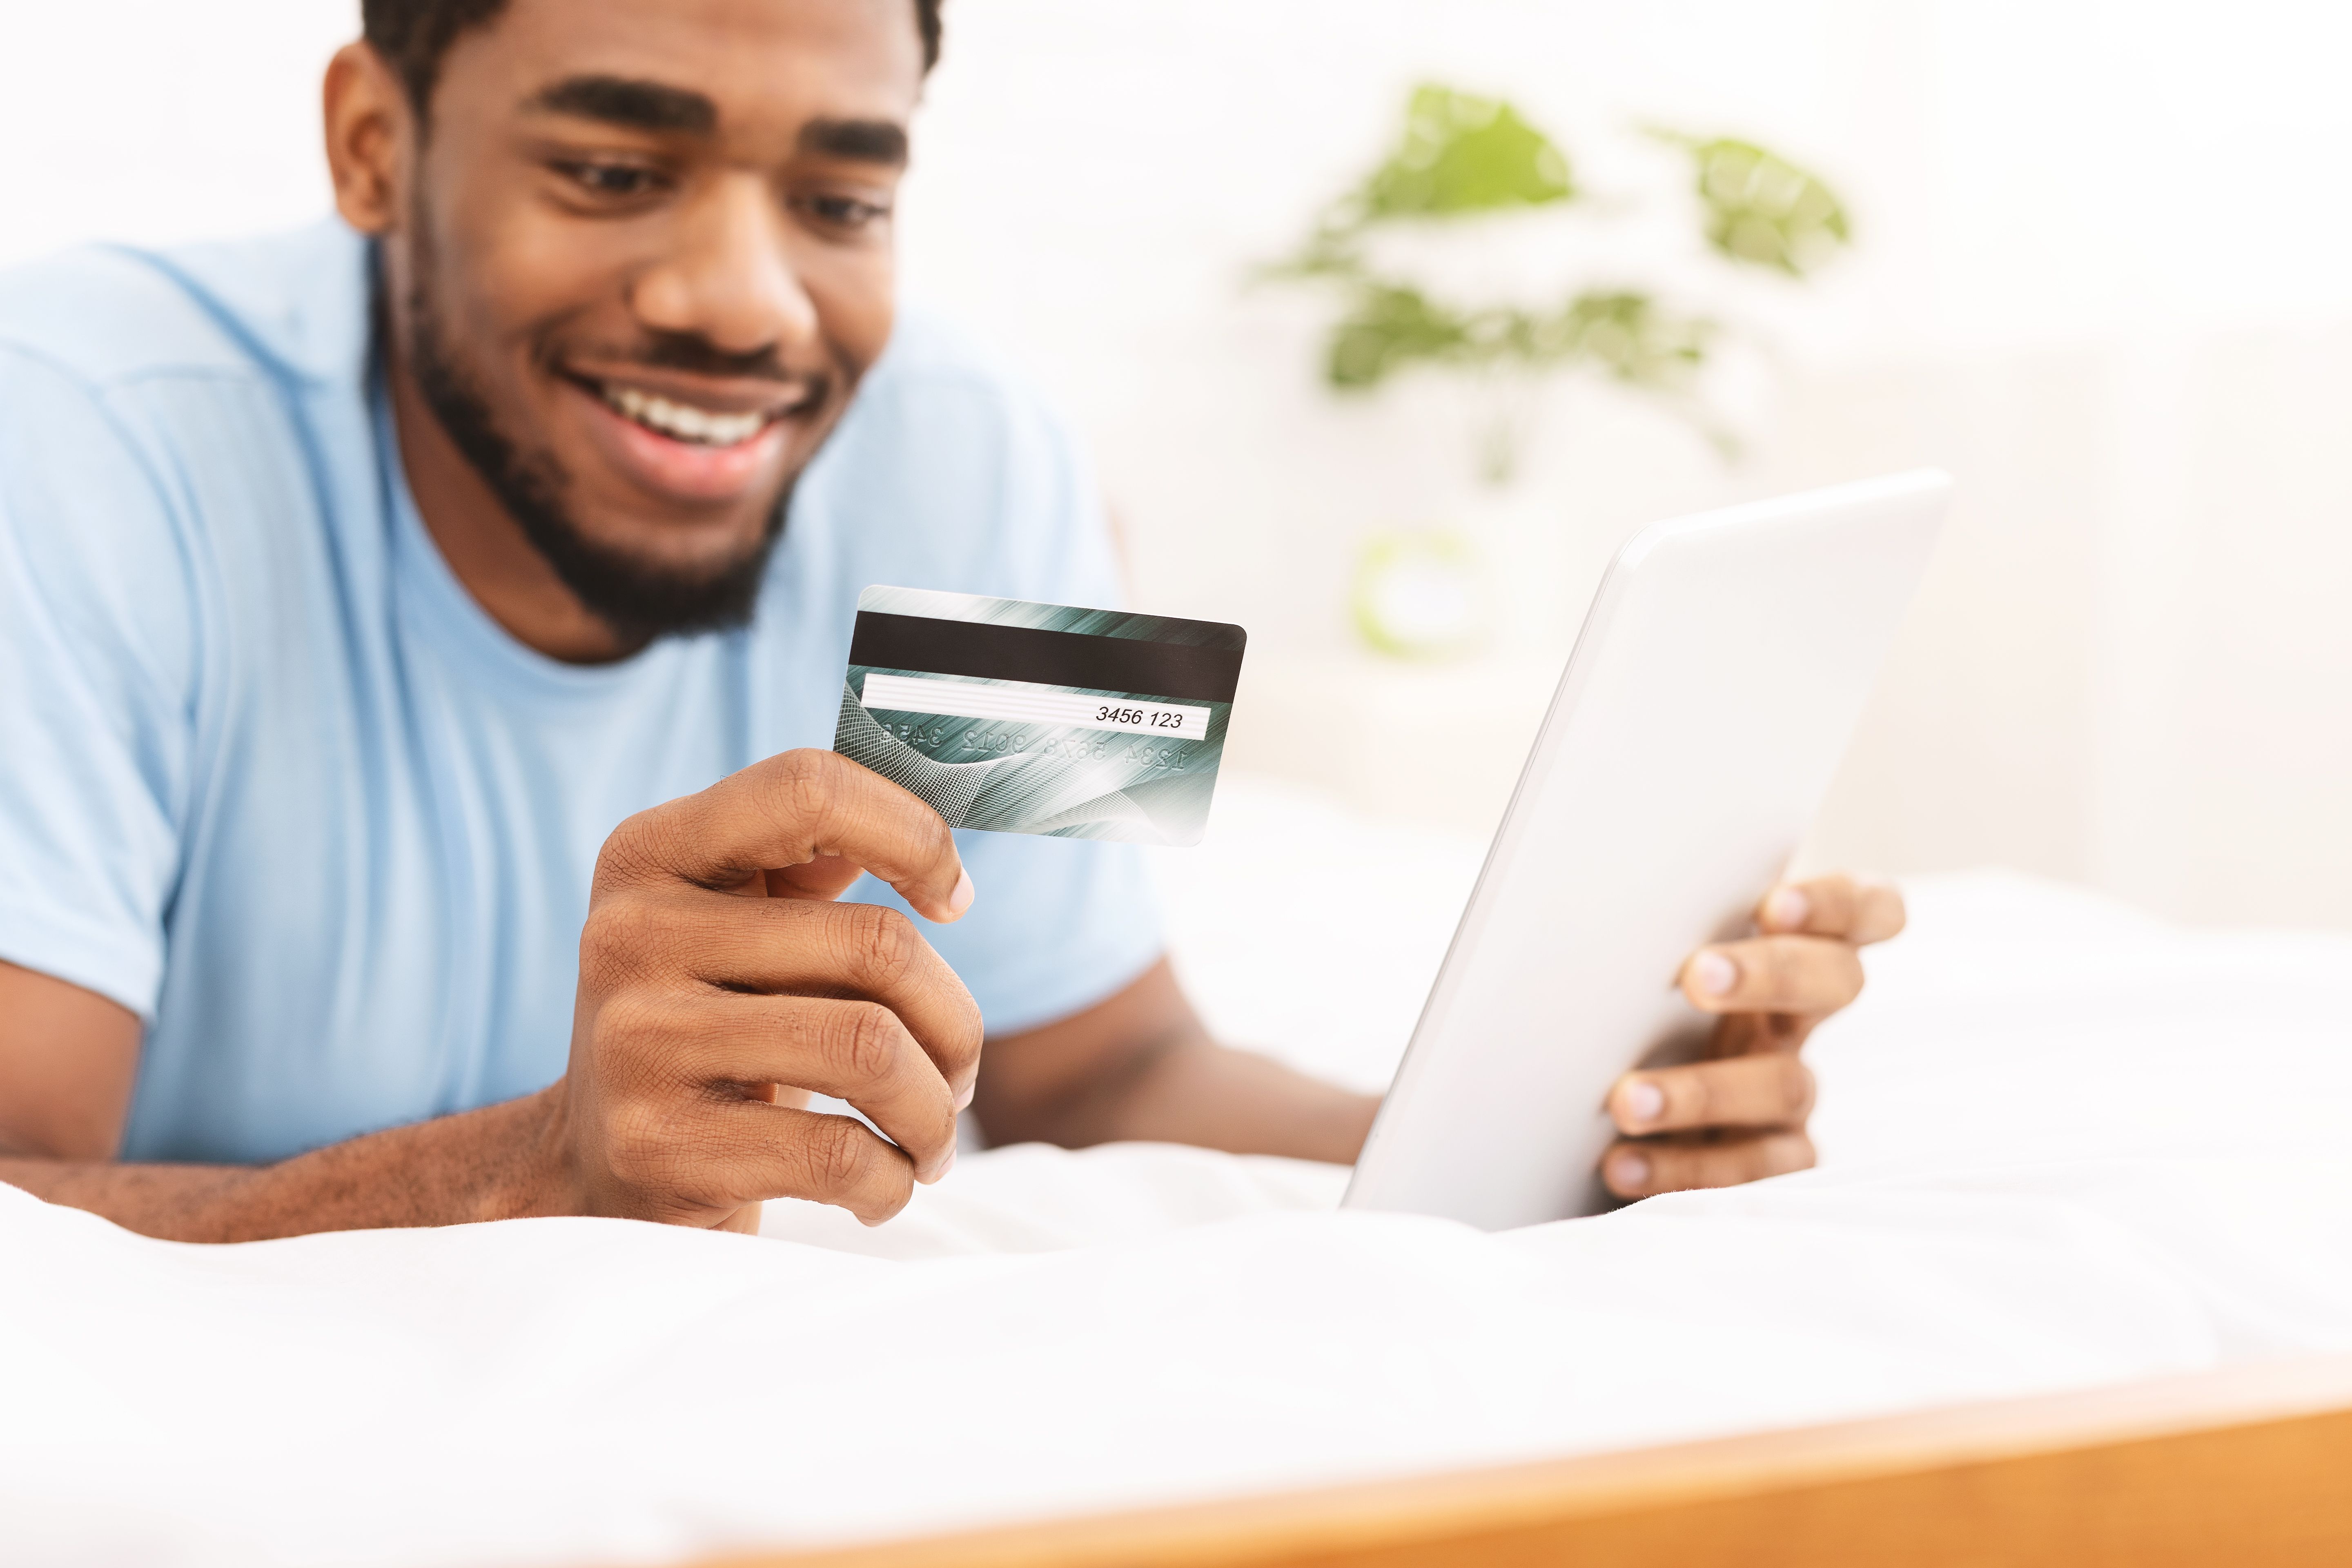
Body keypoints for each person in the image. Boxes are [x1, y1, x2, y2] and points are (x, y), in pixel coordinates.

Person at [0, 0, 1904, 1242]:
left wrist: (1588, 1142)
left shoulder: (981, 449)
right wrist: (530, 1171)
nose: (745, 303)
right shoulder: (71, 434)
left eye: (840, 197)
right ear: (374, 148)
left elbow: (1110, 1068)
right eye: (610, 168)